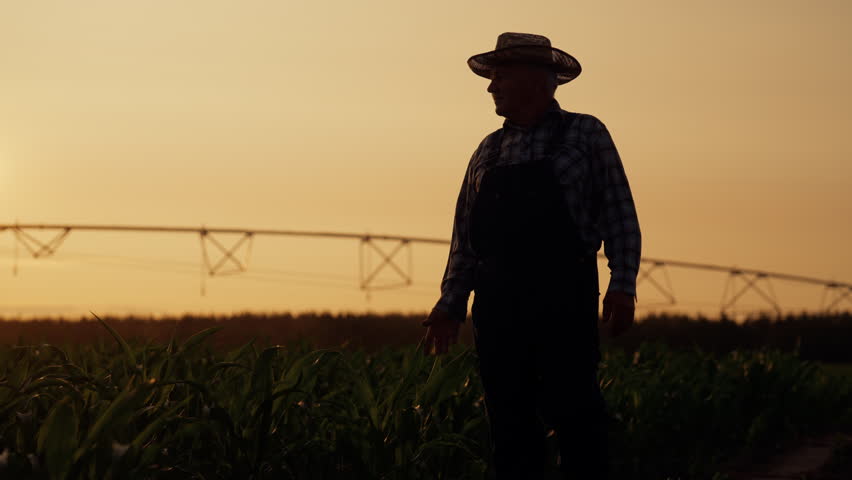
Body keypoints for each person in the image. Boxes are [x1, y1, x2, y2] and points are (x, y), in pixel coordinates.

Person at [421, 32, 641, 479]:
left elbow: (619, 212)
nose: (491, 87)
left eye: (500, 76)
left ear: (536, 80)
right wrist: (449, 305)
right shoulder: (487, 150)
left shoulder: (586, 133)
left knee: (576, 414)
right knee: (509, 424)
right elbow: (465, 239)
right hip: (498, 304)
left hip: (564, 297)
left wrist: (622, 284)